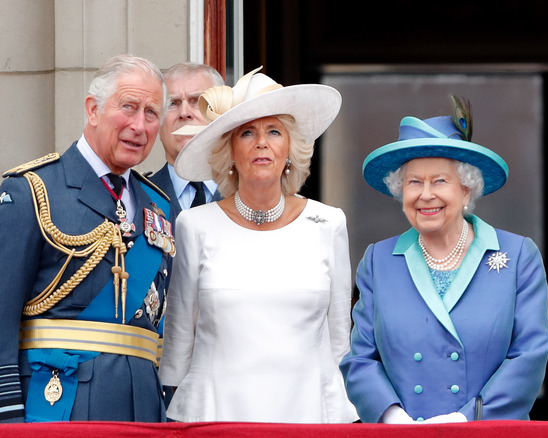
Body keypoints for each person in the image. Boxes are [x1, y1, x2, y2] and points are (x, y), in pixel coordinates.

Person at [158, 68, 358, 423]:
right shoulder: (194, 225)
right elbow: (177, 343)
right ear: (230, 151)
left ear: (291, 150)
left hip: (307, 415)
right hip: (215, 417)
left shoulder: (329, 223)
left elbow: (339, 342)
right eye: (247, 132)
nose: (261, 143)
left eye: (274, 131)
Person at [339, 96, 548, 423]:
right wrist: (392, 418)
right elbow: (360, 359)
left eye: (439, 181)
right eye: (414, 182)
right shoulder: (378, 261)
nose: (426, 195)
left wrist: (465, 420)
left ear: (466, 190)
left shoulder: (518, 256)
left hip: (486, 433)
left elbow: (530, 355)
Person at [0, 54, 173, 422]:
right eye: (128, 107)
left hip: (142, 409)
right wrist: (7, 414)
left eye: (151, 113)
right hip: (60, 405)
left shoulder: (158, 206)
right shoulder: (33, 191)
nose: (139, 126)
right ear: (92, 110)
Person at [149, 62, 224, 227]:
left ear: (221, 115)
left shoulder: (248, 193)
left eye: (197, 101)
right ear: (158, 121)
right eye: (172, 103)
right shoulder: (138, 195)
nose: (184, 113)